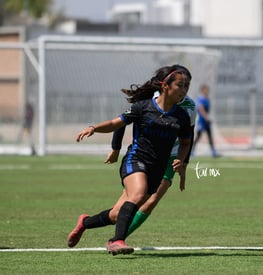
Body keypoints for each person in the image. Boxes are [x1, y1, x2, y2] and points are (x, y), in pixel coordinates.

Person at [68, 65, 192, 255]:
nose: (184, 90)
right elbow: (115, 123)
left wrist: (181, 160)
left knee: (117, 214)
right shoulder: (143, 107)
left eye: (187, 86)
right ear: (165, 86)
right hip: (136, 159)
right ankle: (116, 241)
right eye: (180, 85)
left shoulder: (182, 116)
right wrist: (94, 128)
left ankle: (84, 222)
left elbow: (185, 143)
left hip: (157, 168)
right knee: (138, 194)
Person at [193, 84, 219, 157]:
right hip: (201, 120)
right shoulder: (200, 99)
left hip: (206, 121)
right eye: (206, 90)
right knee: (198, 136)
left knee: (209, 135)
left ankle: (213, 151)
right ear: (202, 90)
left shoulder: (207, 99)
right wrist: (206, 118)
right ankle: (191, 150)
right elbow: (201, 109)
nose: (207, 91)